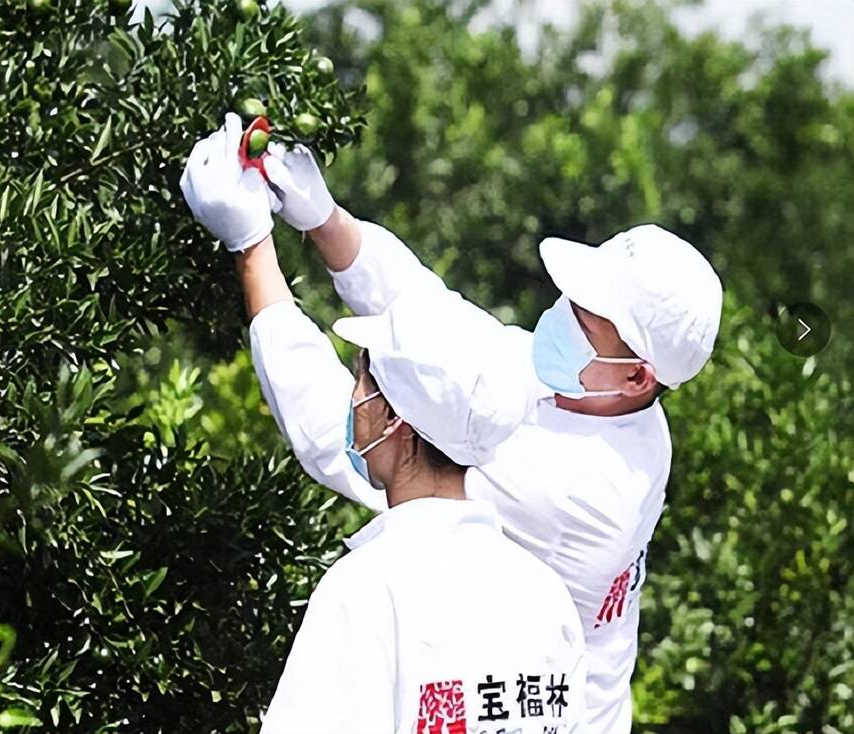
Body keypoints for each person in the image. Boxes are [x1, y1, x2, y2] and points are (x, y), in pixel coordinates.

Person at [182, 112, 724, 733]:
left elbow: (337, 435)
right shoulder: (597, 397)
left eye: (585, 321)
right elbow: (443, 326)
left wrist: (251, 245)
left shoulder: (581, 497)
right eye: (572, 301)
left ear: (636, 375)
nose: (560, 318)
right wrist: (325, 220)